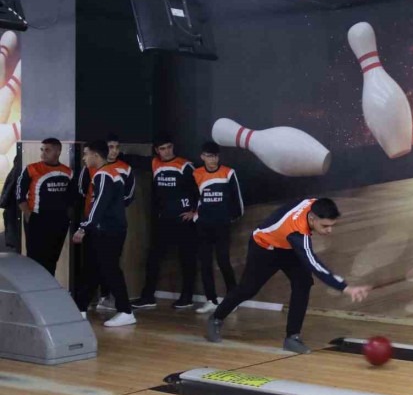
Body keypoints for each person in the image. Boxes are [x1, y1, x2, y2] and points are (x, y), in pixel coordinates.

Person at [206, 198, 371, 353]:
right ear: (312, 218)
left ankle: (292, 337)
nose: (329, 230)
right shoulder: (297, 232)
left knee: (303, 283)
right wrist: (345, 288)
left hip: (287, 247)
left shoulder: (314, 205)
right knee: (247, 289)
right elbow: (314, 264)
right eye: (325, 226)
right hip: (264, 247)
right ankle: (216, 318)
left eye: (331, 225)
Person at [127, 136, 199, 309]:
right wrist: (114, 153)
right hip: (163, 220)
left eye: (168, 147)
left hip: (183, 220)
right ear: (156, 151)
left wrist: (194, 212)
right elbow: (134, 160)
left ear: (173, 147)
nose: (166, 152)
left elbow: (201, 188)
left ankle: (187, 297)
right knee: (153, 259)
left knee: (187, 259)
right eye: (162, 149)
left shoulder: (185, 166)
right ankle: (148, 297)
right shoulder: (154, 164)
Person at [72, 141, 136, 327]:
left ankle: (126, 311)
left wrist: (84, 227)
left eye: (86, 154)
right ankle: (81, 308)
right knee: (93, 268)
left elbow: (98, 205)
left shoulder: (104, 175)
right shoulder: (107, 173)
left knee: (110, 270)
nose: (83, 158)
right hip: (106, 229)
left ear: (96, 156)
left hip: (109, 231)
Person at [192, 141, 243, 314]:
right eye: (209, 156)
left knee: (223, 261)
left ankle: (232, 300)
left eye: (215, 156)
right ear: (202, 157)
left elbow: (238, 199)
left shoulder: (228, 172)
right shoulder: (196, 173)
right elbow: (193, 197)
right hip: (203, 225)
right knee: (205, 263)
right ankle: (211, 300)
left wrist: (232, 217)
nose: (213, 159)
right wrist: (193, 214)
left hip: (222, 225)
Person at [16, 138, 73, 275]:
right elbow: (19, 194)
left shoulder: (67, 172)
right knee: (35, 259)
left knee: (52, 258)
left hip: (59, 221)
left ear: (58, 151)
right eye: (42, 150)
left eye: (47, 150)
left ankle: (49, 289)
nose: (43, 153)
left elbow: (72, 197)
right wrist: (28, 214)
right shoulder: (32, 168)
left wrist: (67, 217)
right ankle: (34, 290)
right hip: (37, 219)